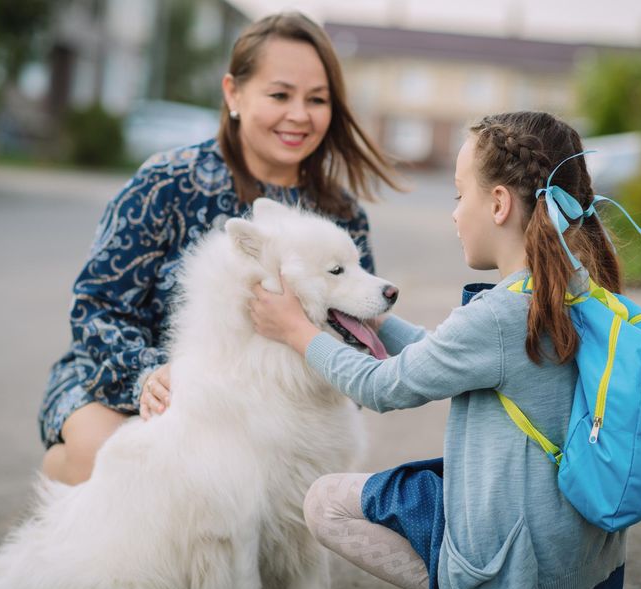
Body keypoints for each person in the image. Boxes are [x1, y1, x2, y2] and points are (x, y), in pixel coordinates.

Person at [249, 111, 627, 589]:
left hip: (520, 569)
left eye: (458, 194)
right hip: (587, 562)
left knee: (325, 501)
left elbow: (380, 387)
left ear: (497, 204)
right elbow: (446, 354)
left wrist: (299, 331)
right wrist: (372, 317)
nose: (453, 212)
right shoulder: (574, 291)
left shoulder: (498, 316)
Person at [39, 11, 399, 485]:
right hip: (130, 383)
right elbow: (95, 305)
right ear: (233, 93)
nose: (299, 114)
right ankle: (58, 514)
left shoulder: (340, 211)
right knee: (111, 458)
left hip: (274, 412)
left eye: (317, 99)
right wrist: (148, 374)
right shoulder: (166, 183)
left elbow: (356, 332)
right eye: (279, 95)